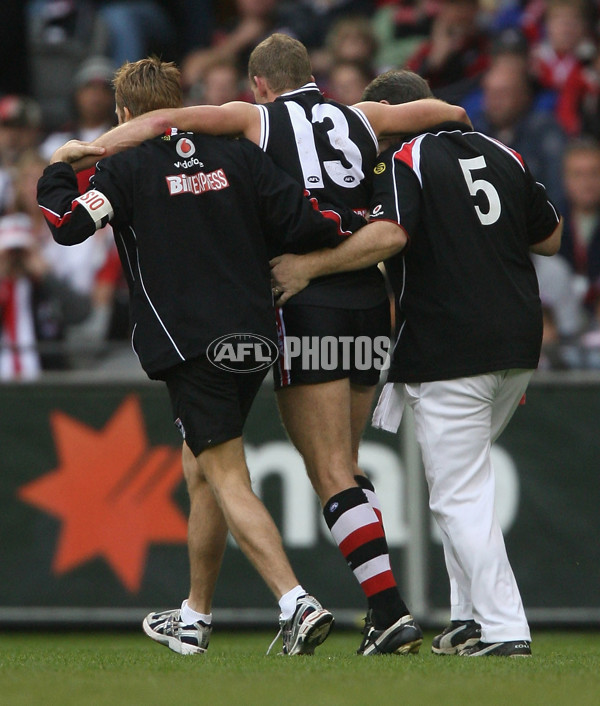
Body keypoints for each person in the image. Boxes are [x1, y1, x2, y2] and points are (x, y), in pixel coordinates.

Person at [87, 34, 469, 655]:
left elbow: (164, 121)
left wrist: (87, 150)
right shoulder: (360, 116)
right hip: (371, 305)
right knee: (306, 463)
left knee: (327, 471)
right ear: (311, 73)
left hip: (305, 299)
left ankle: (387, 609)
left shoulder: (254, 117)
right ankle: (198, 612)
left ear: (260, 83)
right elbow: (437, 114)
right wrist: (463, 121)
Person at [36, 56, 361, 657]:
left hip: (189, 345)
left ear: (125, 114)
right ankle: (196, 616)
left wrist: (58, 166)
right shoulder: (237, 155)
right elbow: (308, 222)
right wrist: (357, 221)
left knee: (226, 475)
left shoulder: (126, 167)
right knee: (201, 469)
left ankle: (296, 601)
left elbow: (67, 225)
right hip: (256, 336)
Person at [270, 69, 563, 657]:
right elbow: (551, 237)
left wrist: (307, 268)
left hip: (451, 344)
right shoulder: (502, 150)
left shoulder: (401, 157)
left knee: (458, 494)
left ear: (389, 111)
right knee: (463, 481)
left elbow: (391, 235)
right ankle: (470, 619)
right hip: (519, 342)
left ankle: (506, 629)